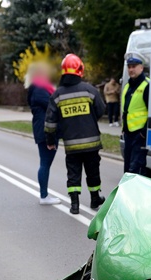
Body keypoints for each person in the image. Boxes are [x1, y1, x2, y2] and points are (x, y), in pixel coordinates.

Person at [45, 54, 107, 215]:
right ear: (80, 70)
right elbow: (101, 110)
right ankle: (95, 198)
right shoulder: (90, 90)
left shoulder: (57, 95)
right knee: (93, 171)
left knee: (73, 173)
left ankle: (74, 204)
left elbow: (50, 122)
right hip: (92, 143)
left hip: (71, 145)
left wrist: (51, 140)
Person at [25, 62, 60, 205]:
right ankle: (44, 196)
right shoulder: (39, 90)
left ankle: (44, 195)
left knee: (45, 162)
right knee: (45, 163)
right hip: (45, 130)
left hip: (43, 129)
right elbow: (53, 106)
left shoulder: (39, 88)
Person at [121, 52, 149, 175]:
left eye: (134, 66)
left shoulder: (147, 86)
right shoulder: (128, 86)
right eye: (129, 66)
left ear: (141, 68)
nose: (131, 69)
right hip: (128, 134)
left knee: (135, 169)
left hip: (139, 135)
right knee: (127, 168)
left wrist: (144, 132)